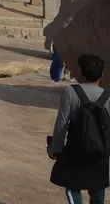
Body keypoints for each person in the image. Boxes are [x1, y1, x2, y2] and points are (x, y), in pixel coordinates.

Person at [49, 54, 110, 204]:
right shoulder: (108, 97)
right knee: (97, 191)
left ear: (81, 72)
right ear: (101, 74)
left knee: (73, 189)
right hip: (100, 154)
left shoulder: (70, 92)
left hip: (75, 150)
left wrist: (55, 148)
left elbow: (62, 124)